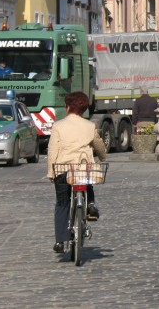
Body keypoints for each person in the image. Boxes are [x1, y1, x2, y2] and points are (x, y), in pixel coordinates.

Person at [46, 91, 107, 254]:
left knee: (62, 203)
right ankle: (91, 204)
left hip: (63, 169)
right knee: (88, 183)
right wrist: (102, 156)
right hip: (82, 169)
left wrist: (51, 172)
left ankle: (60, 241)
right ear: (84, 109)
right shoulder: (89, 126)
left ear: (67, 108)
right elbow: (98, 145)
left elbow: (53, 151)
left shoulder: (58, 126)